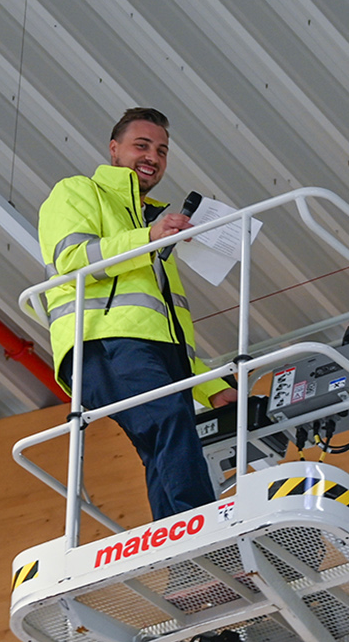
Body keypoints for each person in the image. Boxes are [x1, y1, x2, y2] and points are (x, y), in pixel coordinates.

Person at [38, 107, 239, 521]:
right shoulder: (77, 191)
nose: (153, 156)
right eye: (142, 145)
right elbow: (72, 259)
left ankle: (188, 572)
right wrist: (147, 237)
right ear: (114, 149)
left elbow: (159, 323)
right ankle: (202, 547)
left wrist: (210, 386)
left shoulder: (151, 223)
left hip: (152, 353)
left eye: (162, 151)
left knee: (166, 443)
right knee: (169, 425)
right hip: (102, 345)